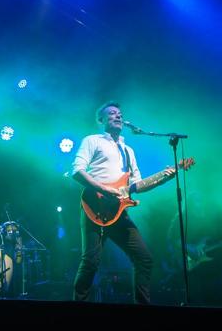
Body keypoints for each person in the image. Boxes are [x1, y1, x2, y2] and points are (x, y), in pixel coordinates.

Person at [71, 101, 176, 304]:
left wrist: (164, 177)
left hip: (119, 211)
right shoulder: (92, 140)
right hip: (95, 205)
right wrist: (103, 189)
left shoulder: (128, 150)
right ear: (101, 120)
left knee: (144, 258)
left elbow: (137, 185)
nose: (118, 116)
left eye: (120, 113)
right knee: (91, 262)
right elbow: (77, 171)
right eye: (112, 113)